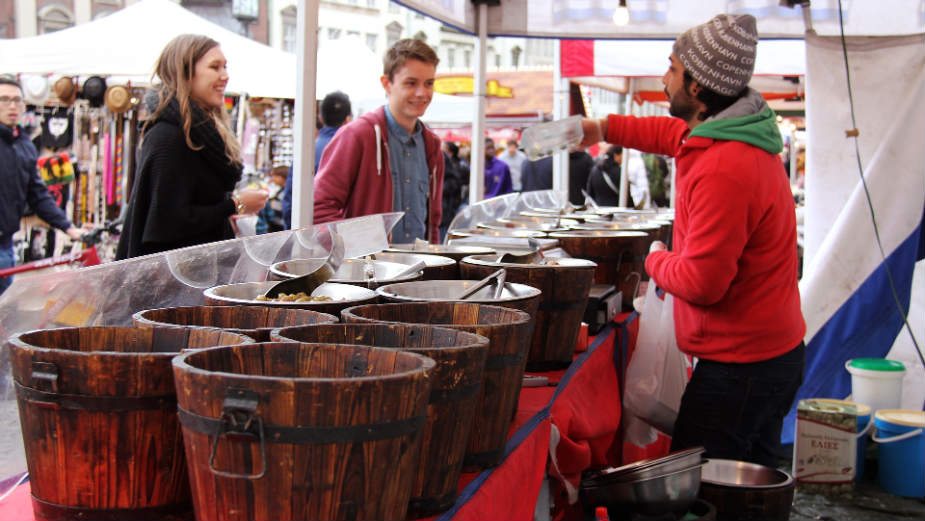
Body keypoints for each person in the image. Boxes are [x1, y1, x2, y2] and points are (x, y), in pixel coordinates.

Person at [581, 14, 805, 466]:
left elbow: (704, 283)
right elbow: (669, 133)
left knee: (697, 488)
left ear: (698, 89)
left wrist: (655, 259)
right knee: (750, 491)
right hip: (768, 355)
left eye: (672, 69)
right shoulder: (722, 130)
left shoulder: (726, 166)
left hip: (743, 368)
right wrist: (601, 128)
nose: (664, 79)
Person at [116, 34, 268, 259]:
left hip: (197, 272)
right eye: (214, 67)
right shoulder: (168, 136)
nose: (225, 76)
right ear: (185, 73)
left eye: (225, 67)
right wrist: (235, 205)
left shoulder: (197, 132)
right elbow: (167, 222)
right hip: (176, 283)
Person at [313, 39, 444, 243]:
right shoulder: (357, 135)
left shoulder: (432, 144)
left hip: (421, 269)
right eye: (411, 83)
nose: (422, 93)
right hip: (368, 271)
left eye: (429, 83)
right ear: (386, 83)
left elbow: (433, 221)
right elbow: (319, 207)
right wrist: (356, 251)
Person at [0, 76, 84, 294]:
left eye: (17, 100)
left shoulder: (24, 144)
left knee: (3, 313)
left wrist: (68, 227)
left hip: (5, 245)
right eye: (4, 99)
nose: (12, 106)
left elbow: (37, 194)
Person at [282, 90, 352, 228]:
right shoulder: (350, 151)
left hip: (306, 235)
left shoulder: (306, 152)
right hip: (339, 237)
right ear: (348, 118)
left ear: (320, 117)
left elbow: (290, 202)